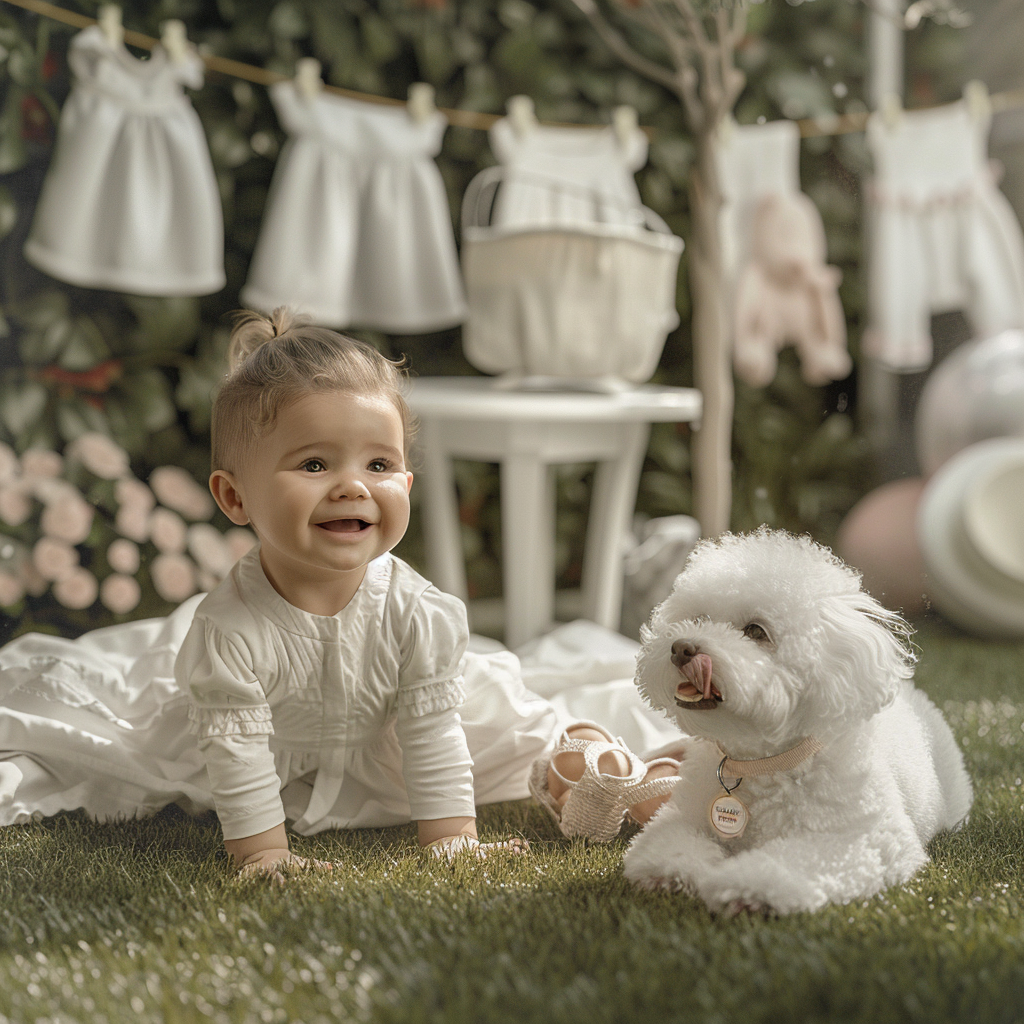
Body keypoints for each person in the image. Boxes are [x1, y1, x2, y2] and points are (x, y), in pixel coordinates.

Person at [0, 308, 682, 878]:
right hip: (279, 747)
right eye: (315, 463)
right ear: (235, 497)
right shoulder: (231, 629)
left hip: (390, 739)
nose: (353, 485)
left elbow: (432, 732)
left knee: (513, 731)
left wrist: (450, 841)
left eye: (379, 464)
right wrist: (265, 855)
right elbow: (238, 753)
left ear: (406, 486)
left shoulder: (414, 611)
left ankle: (597, 756)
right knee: (148, 756)